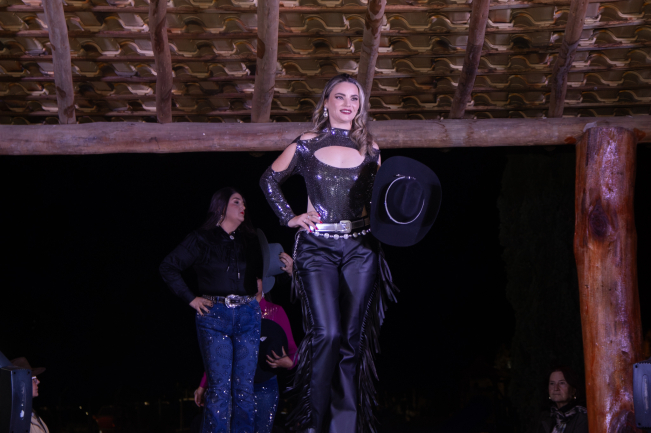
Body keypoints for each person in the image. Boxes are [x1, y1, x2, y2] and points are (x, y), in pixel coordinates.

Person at [259, 74, 397, 433]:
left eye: (354, 98)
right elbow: (269, 180)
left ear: (360, 105)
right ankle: (311, 425)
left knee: (352, 340)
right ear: (326, 103)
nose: (348, 103)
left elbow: (382, 202)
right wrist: (289, 217)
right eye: (340, 97)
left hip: (361, 248)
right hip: (317, 247)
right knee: (328, 334)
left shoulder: (372, 149)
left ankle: (343, 428)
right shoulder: (307, 143)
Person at [160, 187, 263, 433]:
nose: (243, 207)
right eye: (237, 201)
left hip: (248, 315)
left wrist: (257, 295)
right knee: (219, 389)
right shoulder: (201, 238)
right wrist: (191, 299)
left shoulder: (249, 239)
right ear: (221, 206)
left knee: (245, 389)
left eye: (244, 202)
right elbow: (168, 267)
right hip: (214, 316)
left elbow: (259, 276)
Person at [194, 250, 298, 433]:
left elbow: (293, 351)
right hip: (232, 387)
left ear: (264, 281)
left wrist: (289, 363)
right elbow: (219, 354)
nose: (252, 282)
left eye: (256, 278)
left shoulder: (276, 312)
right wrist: (203, 384)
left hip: (265, 387)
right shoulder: (232, 312)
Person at [530, 367, 588, 433]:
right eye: (552, 383)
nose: (556, 388)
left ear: (573, 390)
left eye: (562, 383)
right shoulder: (544, 417)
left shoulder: (583, 418)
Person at [10, 357, 49, 433]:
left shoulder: (30, 412)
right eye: (33, 378)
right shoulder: (15, 418)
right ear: (21, 383)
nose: (38, 381)